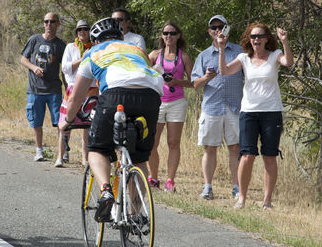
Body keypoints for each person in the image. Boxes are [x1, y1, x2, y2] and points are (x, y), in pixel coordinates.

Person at [59, 17, 163, 222]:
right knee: (140, 157)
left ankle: (106, 191)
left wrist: (67, 121)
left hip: (116, 93)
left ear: (96, 40)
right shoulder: (138, 50)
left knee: (97, 149)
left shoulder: (92, 53)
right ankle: (133, 215)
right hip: (151, 96)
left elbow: (76, 97)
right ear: (121, 36)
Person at [217, 23, 294, 210]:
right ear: (248, 40)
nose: (256, 40)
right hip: (249, 112)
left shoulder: (275, 55)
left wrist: (285, 42)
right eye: (253, 37)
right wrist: (221, 49)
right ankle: (242, 198)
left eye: (260, 36)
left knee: (269, 156)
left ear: (267, 38)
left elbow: (289, 62)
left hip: (271, 112)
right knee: (247, 155)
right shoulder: (243, 58)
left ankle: (267, 201)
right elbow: (224, 71)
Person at [191, 15, 243, 200]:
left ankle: (237, 187)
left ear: (227, 28)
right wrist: (206, 78)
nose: (217, 30)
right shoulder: (203, 55)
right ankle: (207, 187)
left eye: (221, 26)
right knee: (209, 148)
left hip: (234, 107)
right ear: (209, 31)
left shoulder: (239, 51)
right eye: (213, 27)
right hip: (212, 107)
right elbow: (195, 84)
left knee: (235, 148)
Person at [147, 21, 193, 192]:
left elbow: (193, 82)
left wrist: (177, 81)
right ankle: (154, 177)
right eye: (165, 33)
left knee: (173, 143)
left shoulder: (184, 57)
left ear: (178, 35)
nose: (168, 36)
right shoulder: (155, 55)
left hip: (176, 102)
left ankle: (170, 180)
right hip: (157, 102)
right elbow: (143, 72)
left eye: (172, 33)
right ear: (161, 35)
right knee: (152, 143)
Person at [21, 12, 66, 161]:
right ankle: (39, 150)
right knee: (36, 122)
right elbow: (23, 59)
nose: (49, 24)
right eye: (46, 21)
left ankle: (62, 153)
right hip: (34, 90)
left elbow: (64, 69)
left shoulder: (60, 45)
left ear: (58, 24)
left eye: (52, 22)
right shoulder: (34, 40)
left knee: (60, 123)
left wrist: (68, 88)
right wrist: (34, 68)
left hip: (54, 89)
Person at [55, 20, 98, 167]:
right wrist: (82, 59)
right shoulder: (70, 47)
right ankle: (60, 156)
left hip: (91, 89)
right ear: (76, 32)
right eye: (80, 29)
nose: (82, 32)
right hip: (73, 88)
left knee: (88, 126)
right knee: (65, 123)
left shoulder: (95, 48)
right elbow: (66, 68)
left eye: (85, 29)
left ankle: (85, 159)